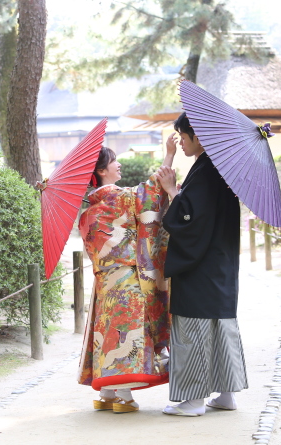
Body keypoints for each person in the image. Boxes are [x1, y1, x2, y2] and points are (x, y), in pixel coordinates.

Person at [76, 134, 177, 413]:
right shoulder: (119, 198)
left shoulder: (87, 214)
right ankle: (125, 397)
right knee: (126, 333)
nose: (118, 165)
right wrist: (169, 155)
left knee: (107, 333)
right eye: (114, 161)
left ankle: (106, 393)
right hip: (127, 281)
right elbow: (153, 192)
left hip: (104, 283)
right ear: (101, 170)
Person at [157, 112, 248, 417]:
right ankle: (225, 394)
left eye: (183, 137)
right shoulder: (217, 168)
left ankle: (194, 400)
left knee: (194, 327)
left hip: (201, 265)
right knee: (221, 326)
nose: (181, 143)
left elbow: (189, 219)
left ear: (198, 137)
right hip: (219, 262)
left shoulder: (207, 170)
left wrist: (172, 191)